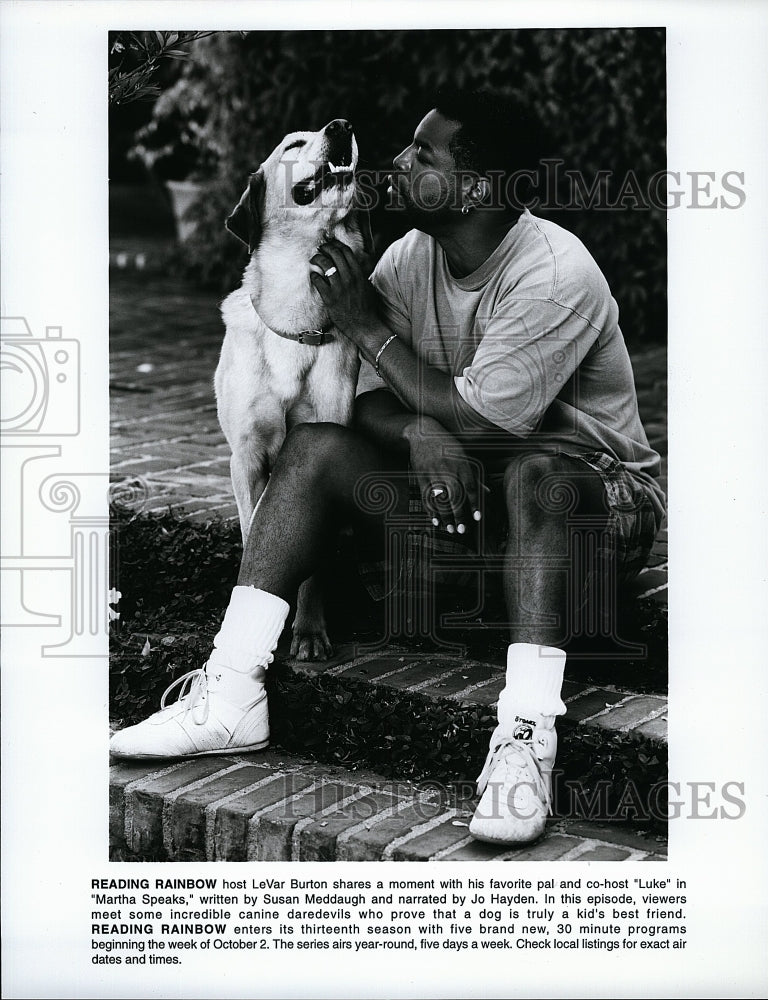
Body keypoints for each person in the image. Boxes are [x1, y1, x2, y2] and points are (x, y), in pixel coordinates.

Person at [110, 89, 665, 846]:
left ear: (473, 187)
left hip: (588, 513)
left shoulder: (554, 271)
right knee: (314, 448)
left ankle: (526, 738)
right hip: (465, 503)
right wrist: (417, 433)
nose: (397, 162)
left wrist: (372, 335)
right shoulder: (410, 256)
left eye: (422, 153)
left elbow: (481, 421)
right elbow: (365, 400)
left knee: (539, 474)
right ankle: (232, 690)